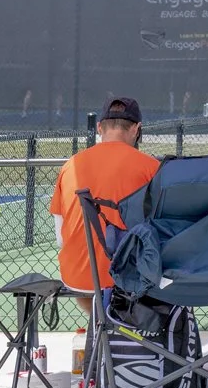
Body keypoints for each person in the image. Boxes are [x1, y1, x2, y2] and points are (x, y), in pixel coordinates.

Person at [48, 97, 161, 294]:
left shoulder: (70, 165)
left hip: (77, 278)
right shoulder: (151, 167)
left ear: (100, 127)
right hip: (131, 278)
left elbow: (60, 239)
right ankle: (120, 321)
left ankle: (100, 319)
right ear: (136, 129)